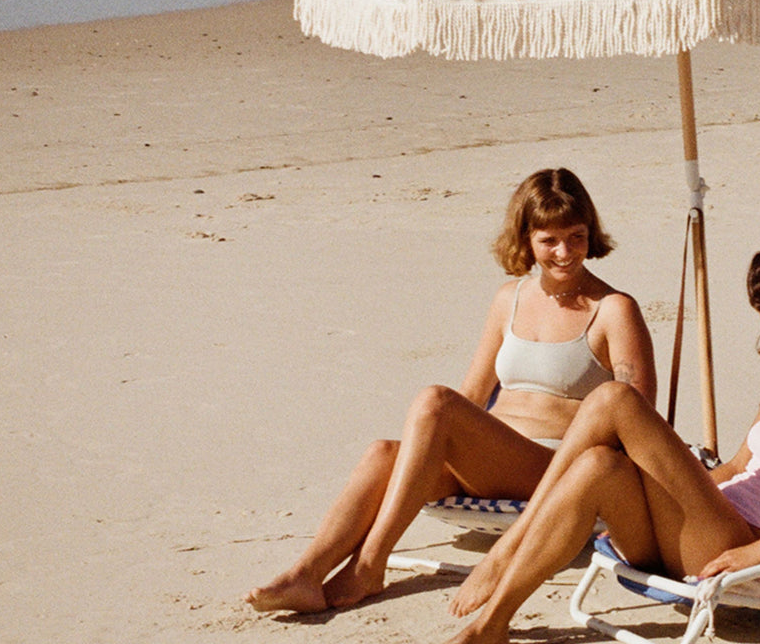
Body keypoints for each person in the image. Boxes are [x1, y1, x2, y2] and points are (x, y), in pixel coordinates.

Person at [245, 168, 656, 614]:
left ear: (590, 233)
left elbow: (637, 416)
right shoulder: (509, 299)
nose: (565, 252)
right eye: (549, 240)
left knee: (434, 401)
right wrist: (435, 450)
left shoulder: (615, 309)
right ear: (525, 238)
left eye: (576, 237)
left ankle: (370, 563)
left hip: (553, 467)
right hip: (491, 463)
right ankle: (306, 572)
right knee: (384, 452)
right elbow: (474, 393)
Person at [446, 236, 760, 644]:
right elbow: (737, 467)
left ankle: (508, 548)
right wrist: (666, 484)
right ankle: (492, 625)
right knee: (599, 465)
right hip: (703, 526)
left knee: (616, 398)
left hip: (742, 545)